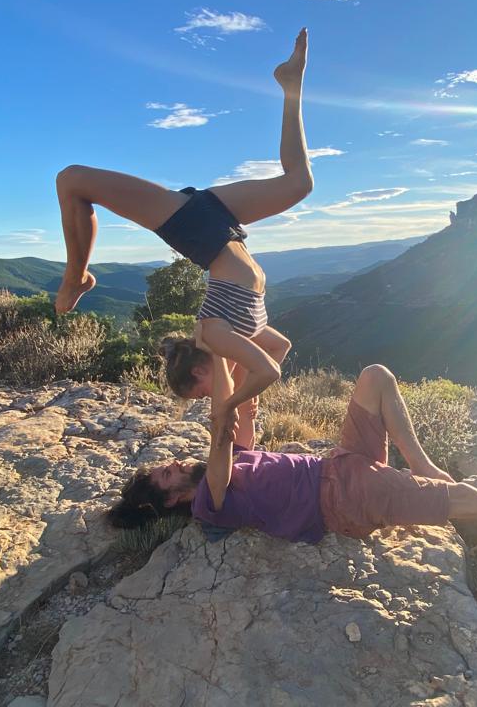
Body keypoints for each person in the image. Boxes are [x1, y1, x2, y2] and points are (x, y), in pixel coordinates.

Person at [54, 28, 312, 437]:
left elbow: (267, 370)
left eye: (201, 394)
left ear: (197, 371)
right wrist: (245, 408)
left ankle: (76, 277)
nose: (209, 400)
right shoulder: (232, 340)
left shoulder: (213, 335)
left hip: (196, 230)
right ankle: (290, 85)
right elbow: (277, 352)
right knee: (300, 183)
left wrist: (228, 404)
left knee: (71, 180)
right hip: (222, 223)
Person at [107, 362, 477, 548]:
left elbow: (248, 400)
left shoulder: (221, 468)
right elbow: (221, 432)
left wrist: (235, 345)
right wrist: (216, 358)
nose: (174, 463)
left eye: (167, 463)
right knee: (468, 497)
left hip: (339, 465)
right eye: (166, 473)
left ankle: (422, 467)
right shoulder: (209, 503)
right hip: (344, 499)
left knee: (376, 376)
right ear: (170, 500)